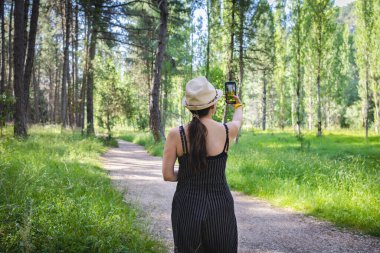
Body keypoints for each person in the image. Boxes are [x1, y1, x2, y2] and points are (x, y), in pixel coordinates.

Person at [162, 76, 243, 253]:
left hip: (186, 205)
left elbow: (168, 175)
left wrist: (186, 175)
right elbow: (238, 120)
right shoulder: (227, 130)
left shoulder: (176, 134)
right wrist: (238, 105)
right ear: (213, 107)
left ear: (190, 108)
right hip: (220, 205)